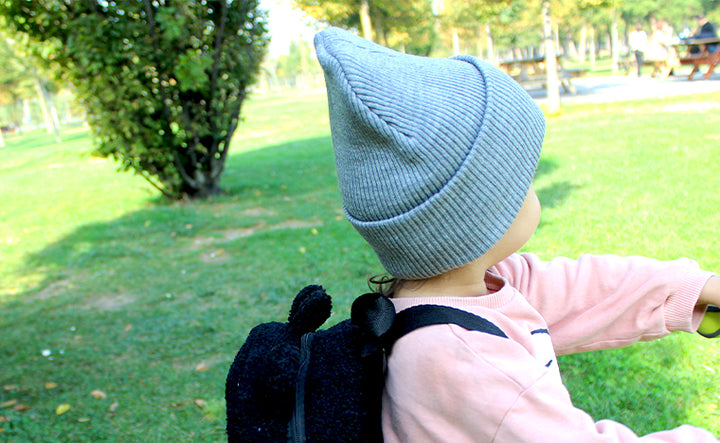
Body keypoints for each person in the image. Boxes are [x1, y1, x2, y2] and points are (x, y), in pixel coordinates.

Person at [314, 27, 720, 442]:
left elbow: (583, 290)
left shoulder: (456, 293)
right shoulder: (467, 359)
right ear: (482, 214)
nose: (534, 185)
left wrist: (697, 289)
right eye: (525, 176)